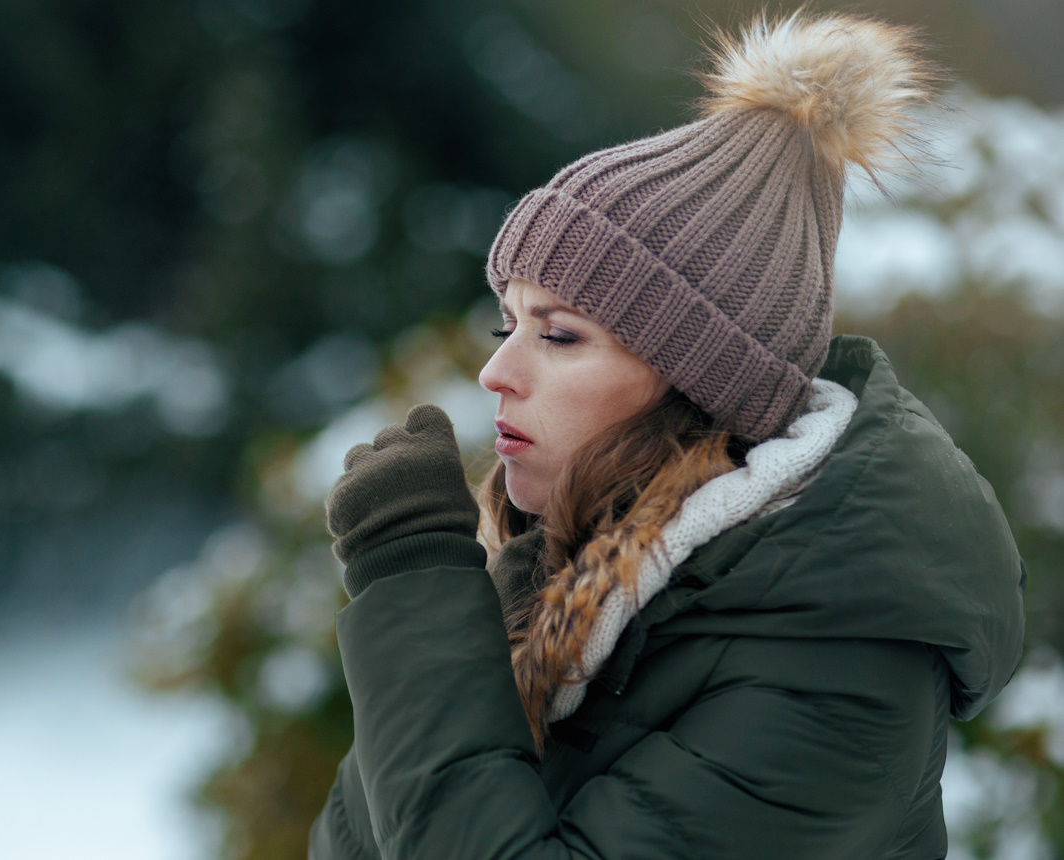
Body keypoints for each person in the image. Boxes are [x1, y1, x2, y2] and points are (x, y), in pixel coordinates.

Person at [310, 11, 1026, 859]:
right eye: (507, 324)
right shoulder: (560, 574)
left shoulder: (838, 665)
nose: (496, 371)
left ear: (697, 381)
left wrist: (415, 583)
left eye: (560, 334)